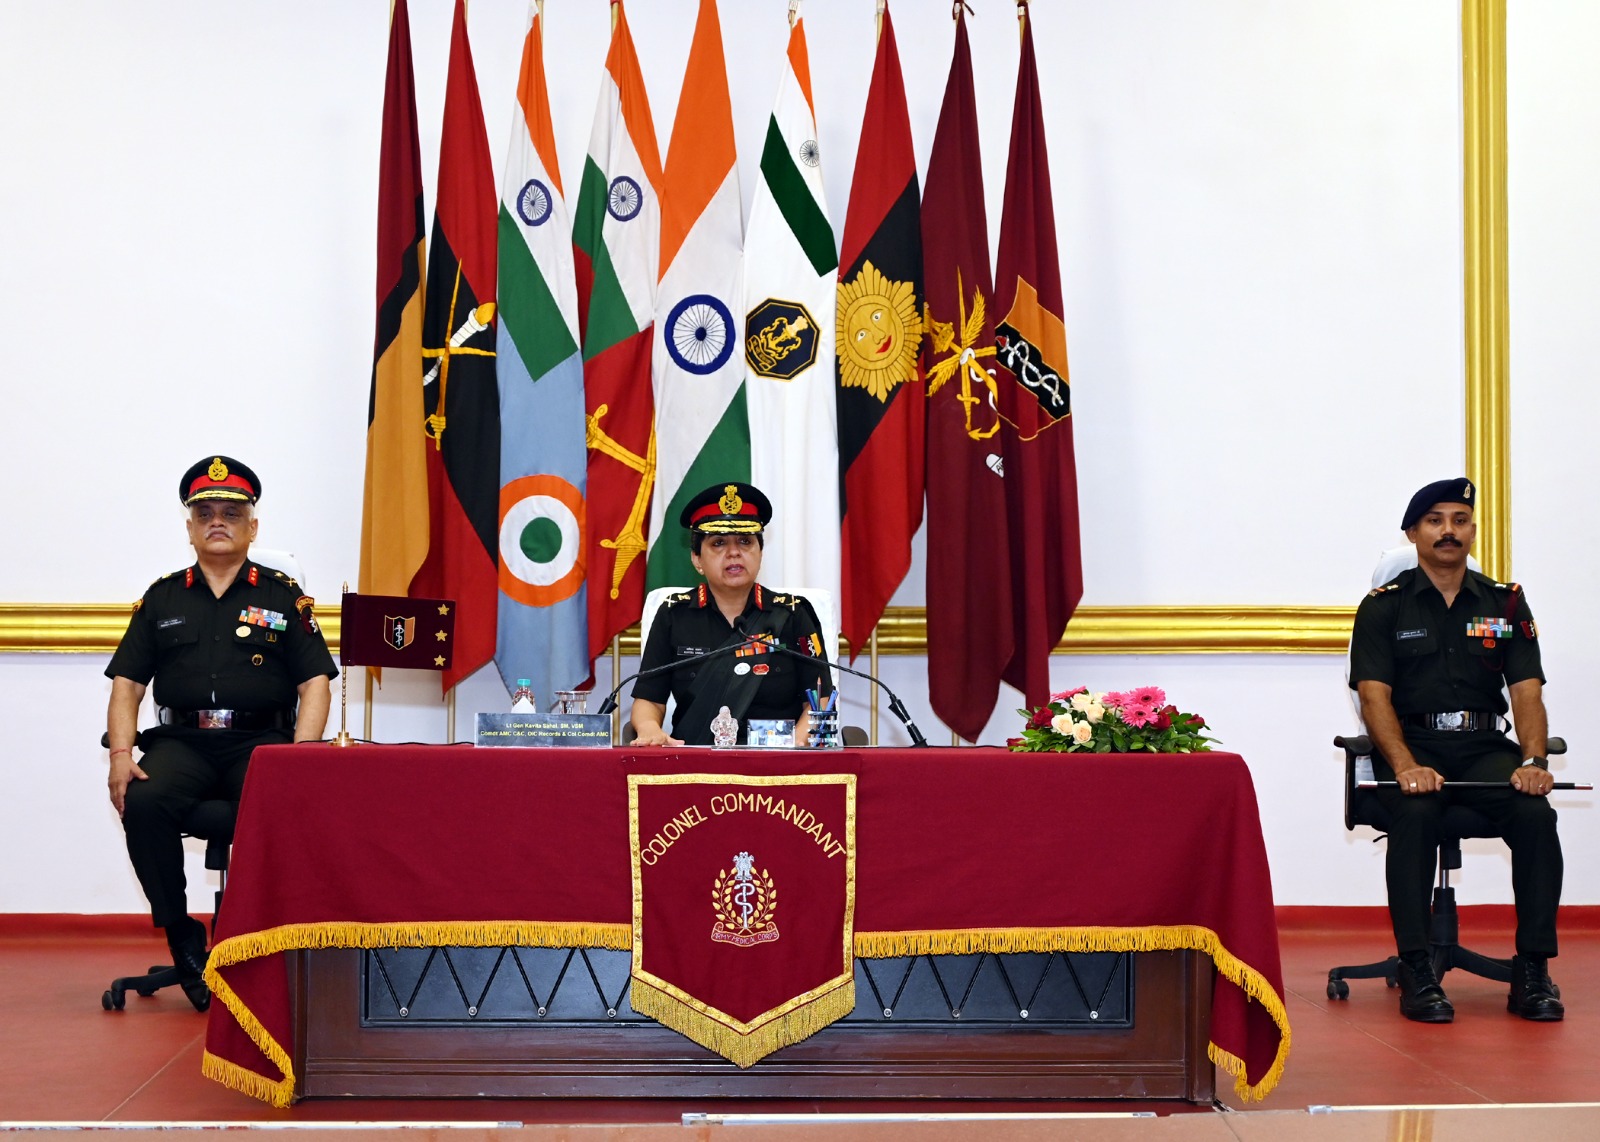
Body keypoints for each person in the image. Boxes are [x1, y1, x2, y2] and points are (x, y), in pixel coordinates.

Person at [105, 456, 337, 992]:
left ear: (252, 527)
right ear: (189, 528)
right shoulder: (162, 598)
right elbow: (127, 686)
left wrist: (300, 757)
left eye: (231, 513)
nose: (217, 522)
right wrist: (120, 755)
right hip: (182, 743)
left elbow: (315, 684)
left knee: (280, 804)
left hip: (259, 741)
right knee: (144, 799)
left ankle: (254, 939)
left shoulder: (282, 596)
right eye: (205, 513)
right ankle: (181, 937)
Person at [1349, 477, 1563, 1023]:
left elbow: (1527, 692)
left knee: (1535, 815)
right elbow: (1373, 697)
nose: (1449, 531)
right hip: (1414, 745)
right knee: (1417, 812)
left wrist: (1534, 761)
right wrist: (1404, 765)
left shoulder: (1504, 602)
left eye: (1460, 520)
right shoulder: (1383, 607)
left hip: (1483, 746)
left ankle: (1532, 969)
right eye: (1435, 521)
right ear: (1412, 534)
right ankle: (1417, 968)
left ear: (1472, 531)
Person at [630, 482, 829, 746]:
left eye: (745, 541)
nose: (734, 552)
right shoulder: (674, 615)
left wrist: (795, 745)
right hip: (696, 759)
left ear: (760, 553)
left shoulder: (792, 614)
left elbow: (819, 701)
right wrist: (649, 729)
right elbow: (649, 699)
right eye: (719, 543)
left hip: (777, 759)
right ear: (697, 559)